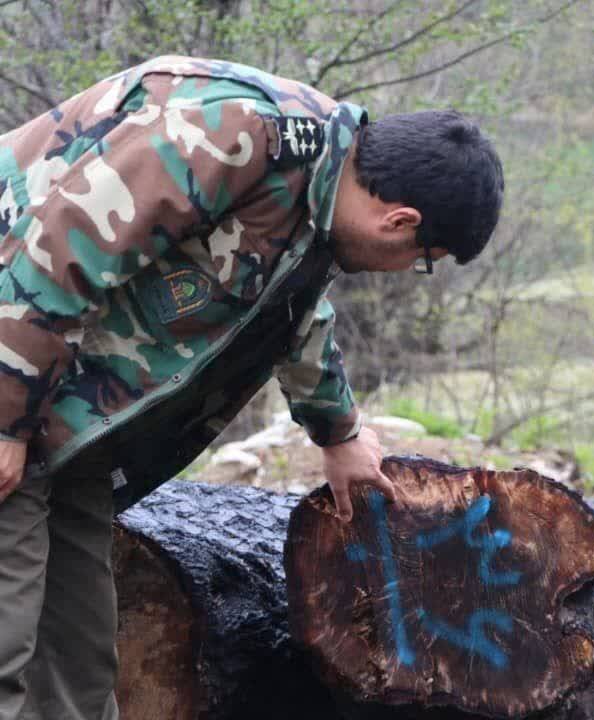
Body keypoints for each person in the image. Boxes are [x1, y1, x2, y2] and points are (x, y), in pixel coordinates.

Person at [0, 55, 503, 720]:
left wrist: (340, 431)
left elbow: (292, 311)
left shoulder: (322, 192)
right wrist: (4, 420)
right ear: (401, 222)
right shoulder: (233, 134)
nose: (406, 270)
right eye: (422, 263)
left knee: (79, 660)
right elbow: (53, 252)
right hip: (12, 355)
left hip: (55, 409)